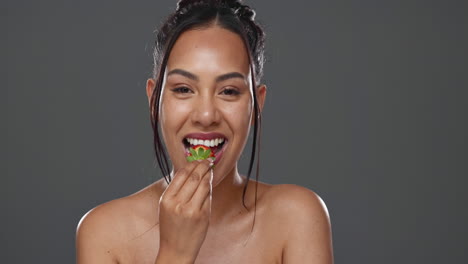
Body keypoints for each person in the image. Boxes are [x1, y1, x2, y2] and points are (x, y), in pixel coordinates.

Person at [76, 0, 334, 263]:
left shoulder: (297, 217)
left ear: (257, 104)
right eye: (183, 89)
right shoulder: (104, 232)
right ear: (154, 101)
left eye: (229, 91)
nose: (206, 116)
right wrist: (176, 253)